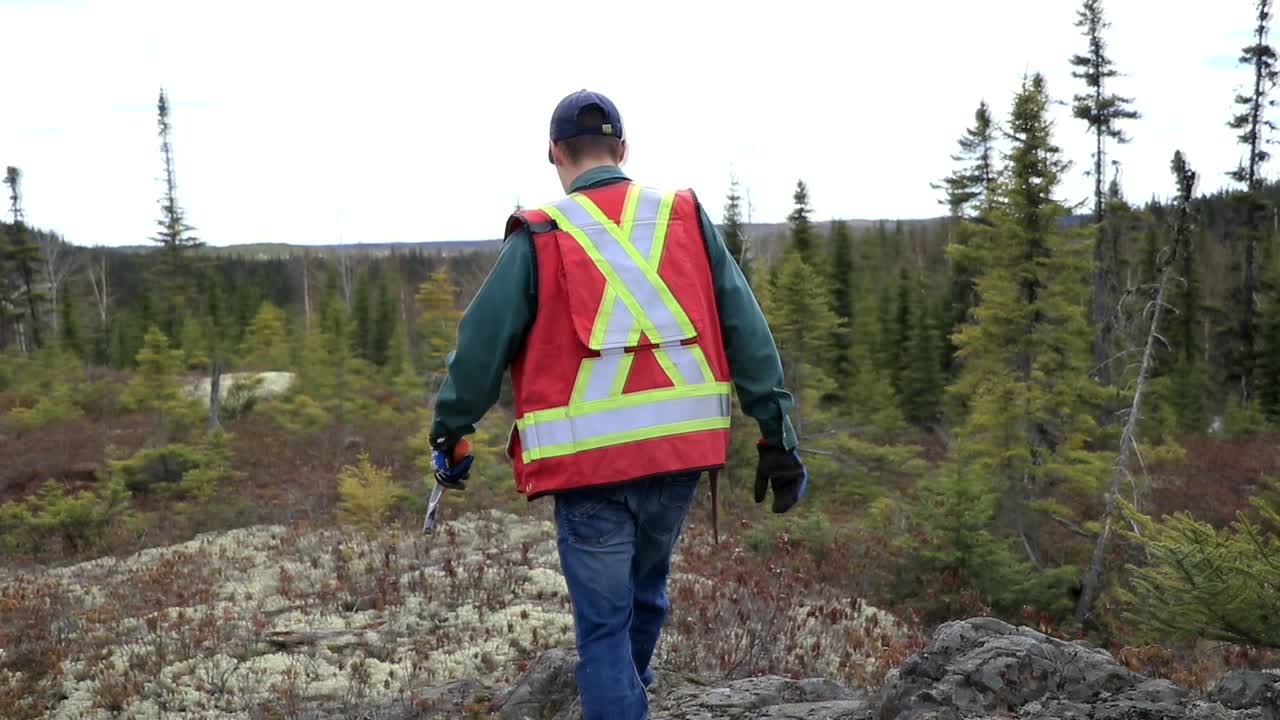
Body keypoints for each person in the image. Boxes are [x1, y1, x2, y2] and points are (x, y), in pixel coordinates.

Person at [428, 89, 806, 720]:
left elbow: (478, 350)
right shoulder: (683, 216)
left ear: (554, 153)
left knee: (603, 630)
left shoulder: (541, 234)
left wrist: (451, 434)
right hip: (680, 455)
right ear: (623, 150)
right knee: (646, 592)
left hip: (589, 469)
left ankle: (622, 702)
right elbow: (747, 330)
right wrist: (777, 436)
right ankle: (630, 697)